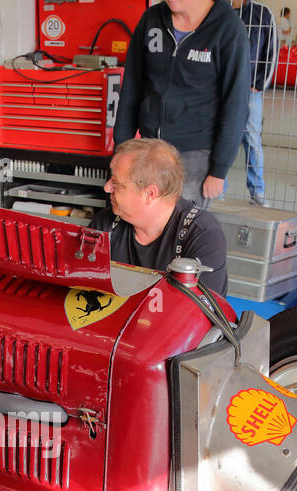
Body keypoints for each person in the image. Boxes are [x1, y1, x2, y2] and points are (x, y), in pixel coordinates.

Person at [114, 0, 250, 209]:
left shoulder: (228, 28)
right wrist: (121, 152)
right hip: (148, 151)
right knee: (140, 229)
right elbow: (131, 88)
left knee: (180, 234)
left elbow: (236, 105)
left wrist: (218, 171)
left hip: (195, 157)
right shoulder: (151, 20)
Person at [92, 138, 230, 296]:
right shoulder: (105, 223)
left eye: (116, 183)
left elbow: (202, 313)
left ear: (150, 194)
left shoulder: (203, 235)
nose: (107, 187)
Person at [227, 0, 277, 206]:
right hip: (221, 91)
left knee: (252, 141)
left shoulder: (263, 14)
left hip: (250, 92)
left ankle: (257, 191)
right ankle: (216, 192)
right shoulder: (217, 9)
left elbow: (271, 53)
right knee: (219, 139)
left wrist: (258, 86)